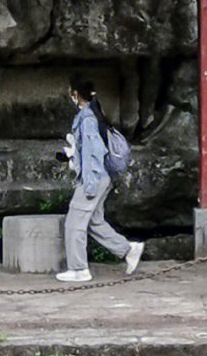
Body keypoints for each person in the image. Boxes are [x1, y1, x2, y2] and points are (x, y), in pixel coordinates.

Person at [57, 79, 144, 283]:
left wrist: (89, 184)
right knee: (94, 222)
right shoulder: (94, 114)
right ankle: (128, 250)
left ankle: (79, 269)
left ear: (77, 93)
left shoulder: (87, 118)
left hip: (93, 178)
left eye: (71, 91)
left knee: (74, 223)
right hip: (101, 177)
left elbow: (93, 153)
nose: (69, 95)